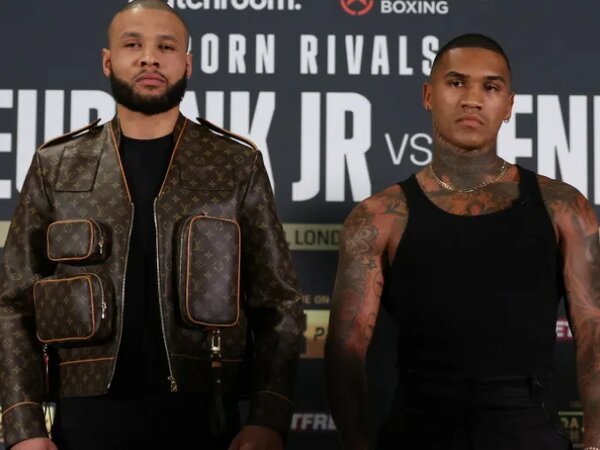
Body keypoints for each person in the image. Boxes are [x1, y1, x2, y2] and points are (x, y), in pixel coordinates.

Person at [0, 1, 304, 449]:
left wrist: (269, 417)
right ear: (108, 61)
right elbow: (13, 302)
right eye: (133, 45)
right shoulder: (56, 164)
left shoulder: (235, 163)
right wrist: (23, 427)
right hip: (83, 418)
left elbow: (278, 301)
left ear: (187, 64)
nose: (149, 58)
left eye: (166, 46)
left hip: (206, 413)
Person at [325, 33, 600, 450]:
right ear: (428, 95)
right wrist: (356, 444)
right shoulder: (378, 217)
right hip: (417, 432)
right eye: (456, 83)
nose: (472, 99)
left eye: (490, 87)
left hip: (528, 429)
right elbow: (345, 349)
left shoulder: (564, 207)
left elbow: (593, 332)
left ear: (509, 105)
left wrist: (595, 439)